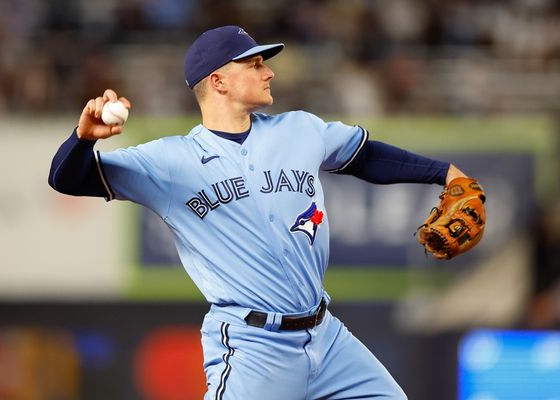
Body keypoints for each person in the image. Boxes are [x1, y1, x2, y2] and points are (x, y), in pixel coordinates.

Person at [49, 25, 467, 399]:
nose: (268, 72)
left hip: (328, 338)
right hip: (253, 347)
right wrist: (82, 139)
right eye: (253, 64)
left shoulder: (299, 130)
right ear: (219, 81)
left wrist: (444, 173)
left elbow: (365, 156)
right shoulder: (171, 161)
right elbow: (67, 178)